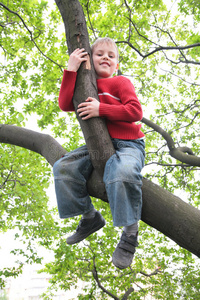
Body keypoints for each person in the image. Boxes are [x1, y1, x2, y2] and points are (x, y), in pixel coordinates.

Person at [53, 37, 145, 269]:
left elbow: (135, 111)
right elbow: (65, 104)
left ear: (116, 64)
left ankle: (130, 232)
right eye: (99, 54)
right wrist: (71, 69)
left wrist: (100, 109)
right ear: (89, 59)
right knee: (63, 167)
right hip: (98, 146)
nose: (105, 57)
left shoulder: (120, 82)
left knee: (122, 172)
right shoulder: (86, 85)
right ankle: (89, 217)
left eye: (111, 56)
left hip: (128, 144)